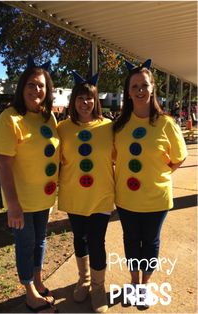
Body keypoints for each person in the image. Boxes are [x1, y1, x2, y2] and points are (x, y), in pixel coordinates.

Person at [113, 59, 187, 307]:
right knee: (131, 241)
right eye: (134, 86)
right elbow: (113, 157)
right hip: (126, 199)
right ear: (128, 91)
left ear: (153, 88)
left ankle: (144, 286)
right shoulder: (120, 126)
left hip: (156, 199)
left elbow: (180, 157)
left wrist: (162, 174)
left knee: (151, 242)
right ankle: (134, 282)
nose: (140, 90)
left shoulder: (166, 123)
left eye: (144, 85)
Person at [0, 56, 59, 313]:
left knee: (40, 241)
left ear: (47, 89)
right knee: (26, 243)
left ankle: (38, 280)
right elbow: (3, 165)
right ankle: (29, 292)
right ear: (22, 87)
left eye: (41, 85)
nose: (36, 90)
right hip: (21, 200)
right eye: (31, 84)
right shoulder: (9, 119)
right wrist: (13, 205)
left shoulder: (47, 118)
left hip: (43, 198)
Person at [57, 71, 115, 313]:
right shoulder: (62, 128)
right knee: (79, 239)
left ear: (96, 101)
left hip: (101, 195)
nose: (85, 103)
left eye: (89, 98)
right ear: (73, 102)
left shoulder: (109, 126)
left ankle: (99, 287)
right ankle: (85, 280)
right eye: (80, 98)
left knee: (97, 241)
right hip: (74, 195)